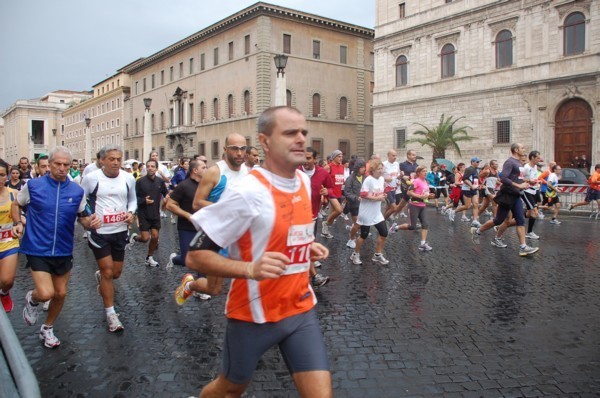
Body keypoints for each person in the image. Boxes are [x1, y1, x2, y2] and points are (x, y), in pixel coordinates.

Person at [185, 106, 331, 397]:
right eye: (290, 133)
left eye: (303, 132)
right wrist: (249, 269)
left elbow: (281, 231)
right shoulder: (247, 191)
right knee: (229, 390)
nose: (301, 139)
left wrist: (304, 247)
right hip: (253, 316)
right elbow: (195, 256)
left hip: (300, 310)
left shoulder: (303, 180)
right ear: (265, 142)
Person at [11, 147, 100, 347]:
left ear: (71, 166)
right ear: (49, 165)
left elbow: (83, 219)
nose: (61, 168)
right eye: (57, 164)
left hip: (63, 248)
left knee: (60, 294)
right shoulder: (33, 186)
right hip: (37, 247)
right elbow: (16, 204)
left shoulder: (77, 191)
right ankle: (33, 299)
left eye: (66, 165)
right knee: (45, 293)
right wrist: (18, 223)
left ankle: (47, 328)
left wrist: (91, 223)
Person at [174, 133, 249, 304]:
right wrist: (226, 208)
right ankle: (190, 285)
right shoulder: (215, 172)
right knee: (214, 289)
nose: (239, 153)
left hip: (239, 234)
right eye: (234, 148)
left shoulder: (249, 172)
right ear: (225, 150)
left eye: (242, 148)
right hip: (216, 234)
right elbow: (197, 203)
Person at [81, 145, 137, 332]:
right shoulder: (91, 178)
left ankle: (103, 280)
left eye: (119, 159)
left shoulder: (128, 178)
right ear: (103, 160)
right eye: (111, 159)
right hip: (100, 233)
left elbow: (132, 200)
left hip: (120, 231)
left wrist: (131, 212)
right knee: (107, 272)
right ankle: (111, 314)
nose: (115, 162)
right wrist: (89, 217)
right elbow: (82, 200)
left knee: (116, 273)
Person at [470, 143, 539, 257]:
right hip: (507, 195)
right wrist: (519, 185)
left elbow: (517, 178)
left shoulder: (518, 163)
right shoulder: (510, 162)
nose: (524, 149)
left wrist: (527, 182)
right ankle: (477, 231)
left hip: (516, 195)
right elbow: (503, 178)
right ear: (516, 150)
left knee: (520, 220)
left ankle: (523, 247)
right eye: (522, 148)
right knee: (498, 220)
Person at [299, 147, 332, 287]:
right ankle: (314, 276)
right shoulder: (295, 171)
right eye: (303, 158)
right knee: (305, 245)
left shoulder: (322, 173)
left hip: (312, 215)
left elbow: (331, 188)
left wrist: (327, 191)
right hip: (296, 216)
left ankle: (308, 275)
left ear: (314, 159)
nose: (305, 161)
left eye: (308, 158)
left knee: (306, 245)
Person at [165, 159, 207, 269]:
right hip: (187, 228)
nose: (206, 169)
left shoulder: (207, 186)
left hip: (204, 228)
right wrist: (188, 215)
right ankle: (174, 259)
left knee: (202, 261)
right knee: (186, 260)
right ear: (195, 170)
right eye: (203, 167)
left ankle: (198, 284)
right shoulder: (184, 186)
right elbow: (170, 205)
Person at [127, 159, 168, 266]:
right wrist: (143, 201)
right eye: (148, 166)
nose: (150, 168)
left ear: (156, 169)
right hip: (143, 213)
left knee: (155, 237)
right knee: (145, 238)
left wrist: (166, 200)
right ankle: (135, 237)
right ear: (146, 168)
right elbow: (133, 198)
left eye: (152, 166)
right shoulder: (140, 181)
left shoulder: (160, 181)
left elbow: (166, 193)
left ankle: (149, 257)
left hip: (155, 213)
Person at [350, 159, 390, 265]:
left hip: (376, 212)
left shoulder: (381, 179)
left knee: (384, 233)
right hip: (366, 212)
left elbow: (379, 193)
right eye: (379, 169)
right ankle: (355, 254)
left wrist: (383, 195)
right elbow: (363, 194)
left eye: (382, 168)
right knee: (364, 235)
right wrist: (377, 198)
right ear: (372, 170)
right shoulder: (368, 180)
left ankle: (377, 255)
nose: (381, 171)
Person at [389, 166, 434, 251]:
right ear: (418, 173)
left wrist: (430, 195)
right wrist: (419, 196)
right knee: (412, 226)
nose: (425, 173)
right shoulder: (416, 181)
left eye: (426, 171)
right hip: (414, 205)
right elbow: (409, 192)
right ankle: (395, 228)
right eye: (423, 171)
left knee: (425, 224)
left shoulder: (426, 182)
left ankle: (423, 244)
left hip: (423, 205)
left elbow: (425, 194)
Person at [0, 161, 20, 312]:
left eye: (1, 175)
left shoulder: (14, 194)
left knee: (7, 280)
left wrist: (20, 222)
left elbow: (25, 213)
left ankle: (4, 292)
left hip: (9, 241)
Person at [321, 150, 345, 239]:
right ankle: (324, 224)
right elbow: (321, 179)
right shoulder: (329, 167)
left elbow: (340, 180)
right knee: (339, 210)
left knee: (332, 217)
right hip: (331, 192)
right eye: (339, 156)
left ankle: (325, 230)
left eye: (341, 156)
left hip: (339, 193)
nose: (341, 158)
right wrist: (324, 194)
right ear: (334, 157)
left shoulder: (342, 167)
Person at [343, 159, 366, 249]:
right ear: (357, 168)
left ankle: (358, 230)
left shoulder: (365, 177)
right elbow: (347, 192)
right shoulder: (350, 178)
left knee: (362, 222)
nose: (364, 169)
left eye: (364, 167)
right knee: (357, 223)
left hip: (364, 204)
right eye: (362, 167)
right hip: (354, 204)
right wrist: (356, 198)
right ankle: (351, 239)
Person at [522, 151, 543, 239]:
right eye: (537, 158)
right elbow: (522, 179)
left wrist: (537, 182)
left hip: (535, 190)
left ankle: (507, 221)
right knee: (534, 212)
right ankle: (529, 232)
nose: (539, 159)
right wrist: (530, 181)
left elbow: (533, 177)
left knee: (529, 213)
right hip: (527, 192)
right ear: (532, 158)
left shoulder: (534, 166)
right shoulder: (526, 167)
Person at [393, 149, 419, 218]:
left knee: (410, 201)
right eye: (413, 155)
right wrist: (403, 176)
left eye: (415, 155)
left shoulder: (416, 165)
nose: (415, 156)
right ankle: (395, 213)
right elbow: (398, 174)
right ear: (408, 155)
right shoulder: (402, 164)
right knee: (403, 201)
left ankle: (408, 215)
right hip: (404, 184)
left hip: (413, 185)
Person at [382, 149, 400, 220]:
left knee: (389, 207)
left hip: (394, 188)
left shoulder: (397, 164)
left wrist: (400, 177)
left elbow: (397, 175)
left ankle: (383, 221)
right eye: (393, 155)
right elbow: (378, 176)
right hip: (386, 188)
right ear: (388, 156)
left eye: (396, 155)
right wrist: (385, 179)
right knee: (394, 207)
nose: (395, 157)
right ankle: (382, 221)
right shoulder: (384, 164)